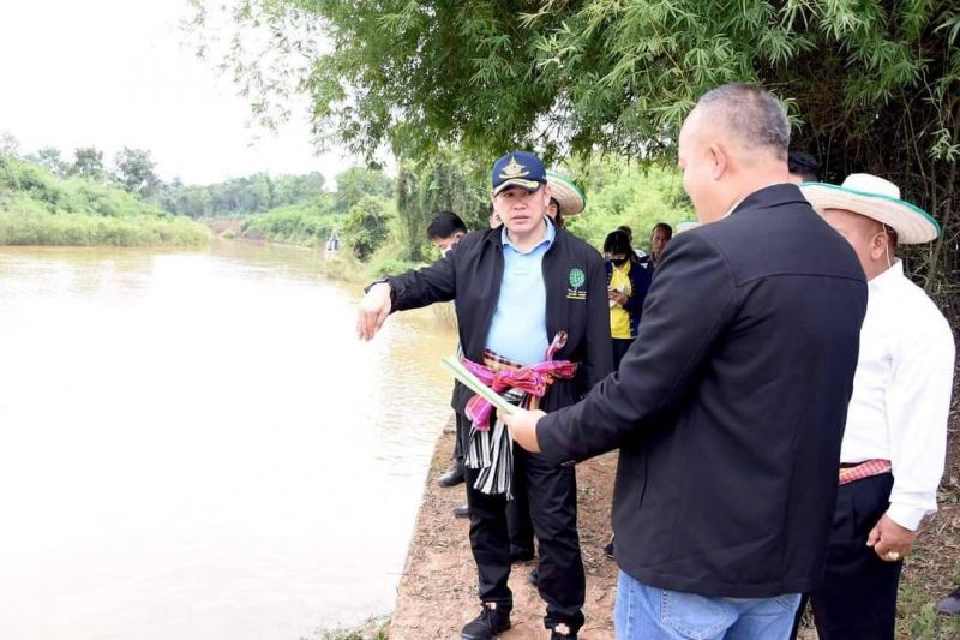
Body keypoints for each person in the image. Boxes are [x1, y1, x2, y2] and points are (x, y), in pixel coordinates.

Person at [503, 83, 868, 639]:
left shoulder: (712, 251)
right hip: (784, 558)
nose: (686, 182)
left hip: (691, 560)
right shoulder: (840, 258)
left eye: (685, 164)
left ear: (716, 159)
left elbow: (635, 394)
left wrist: (546, 431)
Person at [357, 150, 613, 640]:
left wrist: (593, 419)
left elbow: (599, 347)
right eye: (508, 194)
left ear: (546, 197)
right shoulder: (472, 251)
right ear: (495, 202)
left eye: (528, 192)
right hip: (484, 400)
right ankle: (495, 603)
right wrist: (382, 290)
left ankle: (563, 618)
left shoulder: (582, 260)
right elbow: (422, 283)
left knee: (556, 518)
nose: (519, 204)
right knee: (485, 508)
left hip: (549, 403)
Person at [790, 174, 954, 640]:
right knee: (773, 617)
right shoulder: (822, 300)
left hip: (859, 499)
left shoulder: (915, 319)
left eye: (838, 239)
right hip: (799, 488)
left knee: (854, 625)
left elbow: (921, 423)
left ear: (879, 241)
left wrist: (905, 514)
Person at [427, 210, 473, 518]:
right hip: (465, 345)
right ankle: (461, 463)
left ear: (459, 238)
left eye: (444, 246)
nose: (443, 254)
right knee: (459, 405)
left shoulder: (480, 259)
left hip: (486, 354)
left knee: (477, 416)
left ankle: (479, 486)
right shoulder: (458, 263)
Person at [603, 230, 651, 368]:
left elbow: (649, 302)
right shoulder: (603, 269)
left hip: (628, 336)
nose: (616, 258)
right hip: (604, 334)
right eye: (613, 254)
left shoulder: (639, 273)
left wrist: (627, 301)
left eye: (620, 255)